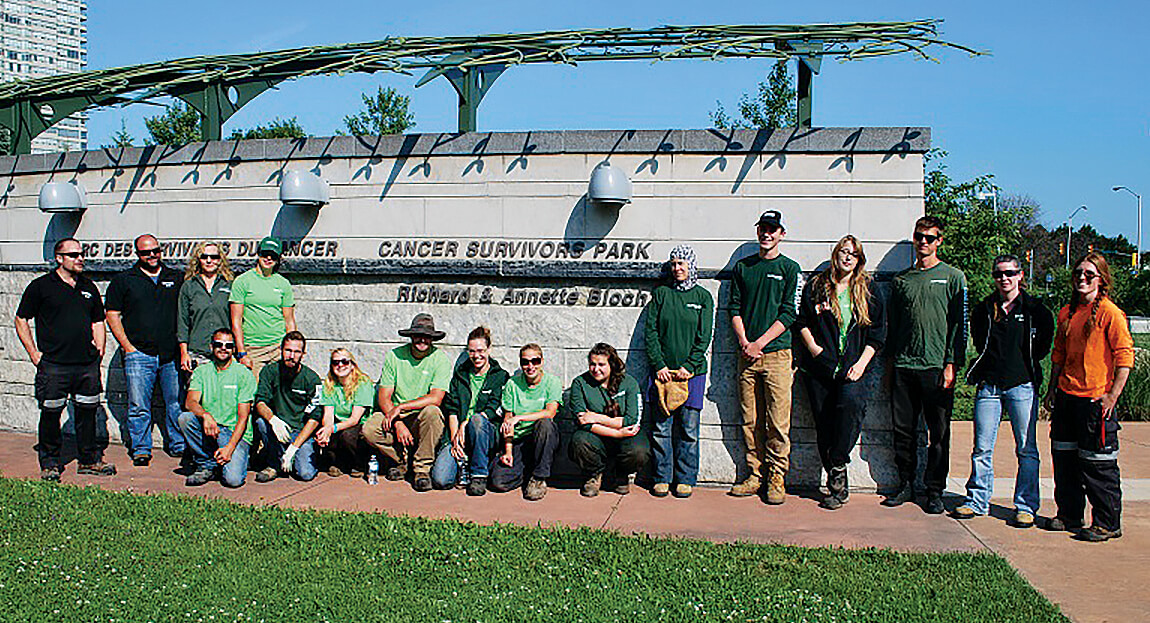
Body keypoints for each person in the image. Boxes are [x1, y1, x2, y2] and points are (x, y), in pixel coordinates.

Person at [953, 255, 1054, 527]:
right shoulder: (985, 308)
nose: (1004, 278)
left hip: (1022, 386)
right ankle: (977, 500)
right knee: (982, 448)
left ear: (1021, 275)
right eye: (998, 274)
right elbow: (978, 340)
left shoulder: (1036, 310)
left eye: (1009, 273)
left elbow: (1043, 345)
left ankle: (1026, 506)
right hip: (990, 386)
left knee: (1027, 449)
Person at [1043, 252, 1133, 542]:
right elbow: (1058, 354)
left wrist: (1112, 396)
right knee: (1065, 460)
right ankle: (1069, 515)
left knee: (1098, 465)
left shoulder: (1110, 313)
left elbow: (1125, 357)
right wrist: (1052, 388)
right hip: (1067, 398)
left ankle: (1107, 523)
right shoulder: (1066, 313)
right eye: (1078, 273)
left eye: (1089, 274)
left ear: (1101, 279)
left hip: (1096, 402)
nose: (1082, 278)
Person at [883, 216, 968, 514]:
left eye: (930, 238)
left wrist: (951, 364)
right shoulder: (901, 280)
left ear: (939, 240)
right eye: (919, 236)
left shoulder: (953, 277)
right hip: (905, 368)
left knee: (939, 434)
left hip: (936, 368)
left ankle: (934, 491)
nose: (924, 242)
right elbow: (892, 328)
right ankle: (905, 484)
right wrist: (889, 368)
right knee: (903, 432)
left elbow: (960, 326)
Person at [795, 235, 886, 510]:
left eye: (853, 254)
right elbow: (801, 321)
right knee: (824, 422)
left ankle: (837, 461)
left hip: (854, 368)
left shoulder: (869, 290)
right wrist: (813, 348)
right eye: (843, 252)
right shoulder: (818, 286)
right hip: (820, 367)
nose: (847, 257)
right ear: (836, 254)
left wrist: (861, 364)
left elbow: (878, 334)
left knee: (850, 406)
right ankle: (837, 486)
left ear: (859, 260)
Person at [15, 238, 115, 481]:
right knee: (51, 413)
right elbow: (21, 319)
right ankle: (50, 463)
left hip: (86, 365)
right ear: (59, 258)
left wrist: (99, 348)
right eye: (73, 255)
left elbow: (98, 320)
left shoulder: (88, 287)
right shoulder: (40, 287)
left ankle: (89, 461)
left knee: (88, 412)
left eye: (81, 254)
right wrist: (33, 354)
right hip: (54, 365)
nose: (80, 258)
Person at [728, 209, 802, 504]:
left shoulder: (789, 268)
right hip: (746, 355)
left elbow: (789, 312)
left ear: (781, 233)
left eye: (773, 229)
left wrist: (761, 342)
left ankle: (776, 477)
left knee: (777, 422)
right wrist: (746, 342)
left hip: (777, 355)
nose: (767, 234)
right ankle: (755, 474)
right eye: (763, 228)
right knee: (750, 420)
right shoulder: (743, 267)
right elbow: (734, 308)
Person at [105, 234, 184, 467]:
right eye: (145, 252)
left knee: (175, 403)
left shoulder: (176, 277)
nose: (151, 256)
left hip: (171, 354)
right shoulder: (124, 280)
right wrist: (128, 347)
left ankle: (178, 444)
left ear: (161, 250)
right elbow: (112, 314)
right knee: (139, 405)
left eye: (155, 251)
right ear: (137, 254)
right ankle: (141, 448)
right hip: (139, 354)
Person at [644, 244, 714, 499]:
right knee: (661, 428)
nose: (677, 269)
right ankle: (662, 477)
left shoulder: (703, 297)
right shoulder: (661, 294)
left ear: (691, 266)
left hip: (692, 375)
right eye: (673, 264)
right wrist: (659, 365)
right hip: (662, 373)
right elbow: (650, 332)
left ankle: (685, 479)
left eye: (682, 264)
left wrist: (689, 367)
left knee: (688, 429)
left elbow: (704, 336)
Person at [361, 314, 451, 491]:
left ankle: (422, 470)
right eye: (418, 334)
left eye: (427, 336)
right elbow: (383, 397)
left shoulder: (440, 359)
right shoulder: (394, 356)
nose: (422, 339)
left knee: (433, 413)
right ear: (411, 336)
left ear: (432, 338)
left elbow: (436, 397)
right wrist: (398, 422)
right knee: (369, 429)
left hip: (419, 415)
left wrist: (402, 407)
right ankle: (402, 462)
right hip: (394, 414)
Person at [431, 326, 510, 495]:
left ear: (489, 349)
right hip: (458, 433)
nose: (476, 356)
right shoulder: (460, 375)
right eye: (472, 351)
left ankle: (478, 476)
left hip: (484, 433)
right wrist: (454, 440)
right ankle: (464, 464)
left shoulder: (500, 376)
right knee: (440, 480)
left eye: (481, 350)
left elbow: (493, 409)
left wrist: (465, 424)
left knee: (476, 420)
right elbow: (451, 409)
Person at [569, 343, 650, 497]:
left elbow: (632, 420)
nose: (595, 369)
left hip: (627, 435)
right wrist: (617, 433)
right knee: (579, 441)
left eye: (601, 364)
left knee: (639, 451)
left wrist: (596, 417)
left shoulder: (629, 383)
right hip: (597, 436)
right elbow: (583, 422)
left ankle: (621, 475)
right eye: (592, 364)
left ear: (611, 364)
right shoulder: (580, 383)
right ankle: (594, 474)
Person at [178, 328, 256, 487]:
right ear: (211, 346)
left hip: (235, 433)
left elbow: (243, 418)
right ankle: (206, 464)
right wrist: (206, 415)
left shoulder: (243, 373)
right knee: (185, 418)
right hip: (211, 428)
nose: (223, 348)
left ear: (233, 349)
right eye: (219, 344)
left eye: (228, 346)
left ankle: (236, 459)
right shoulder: (201, 371)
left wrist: (230, 448)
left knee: (233, 481)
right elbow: (190, 402)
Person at [490, 343, 561, 501]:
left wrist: (520, 417)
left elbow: (550, 412)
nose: (530, 366)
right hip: (519, 441)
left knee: (545, 423)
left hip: (542, 439)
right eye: (525, 362)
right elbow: (507, 421)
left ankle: (539, 478)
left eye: (535, 361)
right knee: (498, 482)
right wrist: (508, 452)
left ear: (541, 361)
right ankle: (527, 470)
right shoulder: (512, 384)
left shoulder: (552, 382)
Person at [251, 331, 323, 483]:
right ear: (281, 350)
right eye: (288, 350)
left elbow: (315, 417)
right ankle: (273, 464)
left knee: (305, 474)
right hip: (279, 427)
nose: (292, 355)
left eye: (297, 352)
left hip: (301, 432)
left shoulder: (311, 379)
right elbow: (260, 402)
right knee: (261, 422)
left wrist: (294, 448)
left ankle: (296, 454)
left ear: (303, 354)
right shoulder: (269, 372)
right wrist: (273, 420)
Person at [230, 236, 296, 379]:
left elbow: (289, 320)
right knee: (255, 394)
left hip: (278, 348)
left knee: (279, 393)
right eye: (265, 254)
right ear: (258, 254)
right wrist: (241, 352)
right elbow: (236, 322)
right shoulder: (242, 282)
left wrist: (292, 349)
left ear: (278, 259)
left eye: (273, 255)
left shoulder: (283, 284)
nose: (268, 258)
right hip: (253, 349)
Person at [316, 348, 375, 478]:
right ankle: (339, 462)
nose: (340, 365)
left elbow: (355, 419)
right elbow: (328, 414)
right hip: (338, 424)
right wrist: (326, 430)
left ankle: (359, 463)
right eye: (335, 362)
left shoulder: (363, 383)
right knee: (322, 433)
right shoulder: (329, 384)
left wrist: (332, 428)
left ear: (352, 365)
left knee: (347, 436)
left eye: (344, 361)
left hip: (358, 425)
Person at [178, 241, 234, 372]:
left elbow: (237, 320)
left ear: (220, 260)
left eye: (214, 257)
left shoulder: (229, 285)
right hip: (197, 353)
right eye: (204, 257)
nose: (209, 261)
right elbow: (183, 322)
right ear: (198, 260)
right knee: (198, 391)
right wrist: (184, 353)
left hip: (224, 352)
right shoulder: (189, 286)